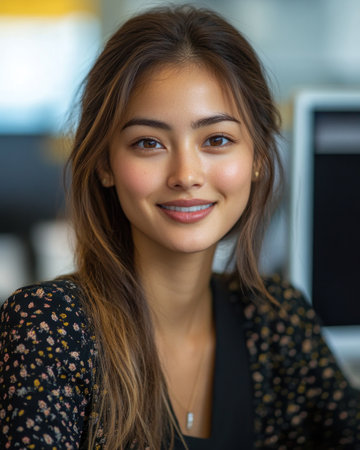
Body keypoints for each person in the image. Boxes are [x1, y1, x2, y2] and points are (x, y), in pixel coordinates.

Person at [1, 5, 359, 450]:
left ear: (259, 158)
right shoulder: (51, 326)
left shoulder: (277, 321)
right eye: (148, 143)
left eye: (217, 140)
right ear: (105, 164)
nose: (186, 174)